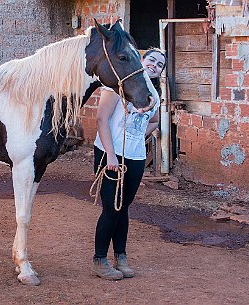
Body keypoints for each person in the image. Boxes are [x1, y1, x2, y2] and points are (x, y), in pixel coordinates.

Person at [92, 48, 166, 280]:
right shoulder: (119, 84)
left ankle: (120, 257)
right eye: (151, 60)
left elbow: (154, 121)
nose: (154, 65)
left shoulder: (153, 93)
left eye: (160, 64)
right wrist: (111, 156)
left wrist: (137, 136)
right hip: (110, 154)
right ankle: (100, 260)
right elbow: (102, 119)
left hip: (135, 158)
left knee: (123, 208)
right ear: (142, 60)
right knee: (111, 207)